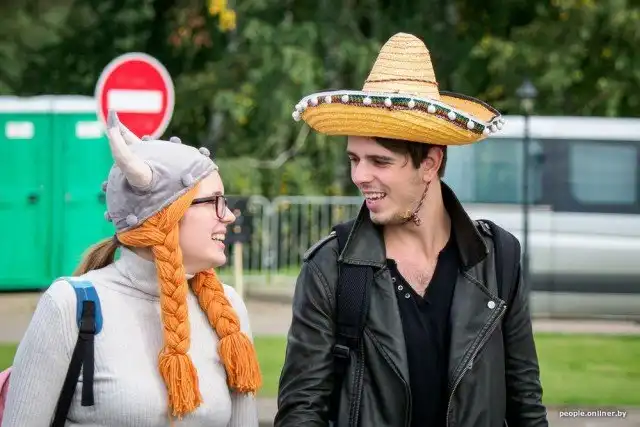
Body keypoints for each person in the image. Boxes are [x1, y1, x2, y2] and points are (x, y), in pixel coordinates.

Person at [274, 33, 548, 427]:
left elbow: (526, 405)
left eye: (380, 161)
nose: (359, 176)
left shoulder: (498, 258)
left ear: (430, 164)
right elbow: (301, 411)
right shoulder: (331, 267)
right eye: (354, 159)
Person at [1, 110, 262, 427]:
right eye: (214, 201)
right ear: (163, 215)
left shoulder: (228, 307)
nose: (229, 216)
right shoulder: (68, 305)